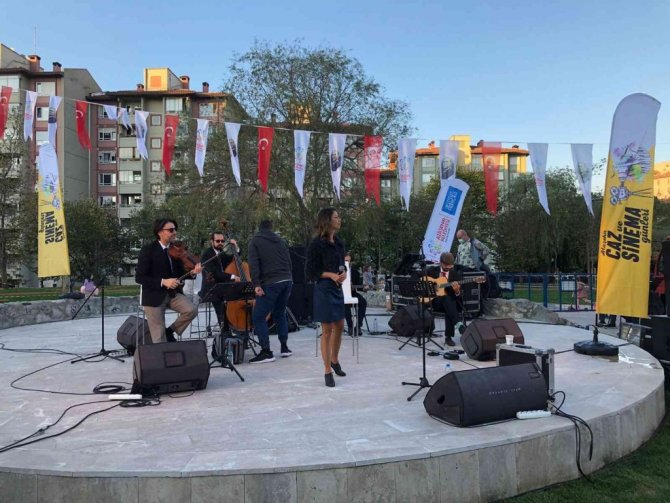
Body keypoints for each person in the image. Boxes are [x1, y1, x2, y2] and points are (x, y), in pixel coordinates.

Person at [135, 218, 202, 343]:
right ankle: (162, 352)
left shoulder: (174, 251)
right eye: (171, 230)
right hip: (153, 296)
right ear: (160, 232)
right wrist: (163, 282)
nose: (175, 232)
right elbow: (139, 277)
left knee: (191, 310)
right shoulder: (148, 250)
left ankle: (170, 331)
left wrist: (192, 273)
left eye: (175, 229)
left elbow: (179, 274)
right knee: (159, 337)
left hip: (172, 294)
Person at [306, 208, 347, 387]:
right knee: (327, 329)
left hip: (337, 288)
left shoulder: (339, 243)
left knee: (340, 325)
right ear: (327, 220)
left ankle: (334, 360)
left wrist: (344, 272)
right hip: (323, 288)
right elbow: (310, 272)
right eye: (336, 217)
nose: (339, 219)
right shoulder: (316, 244)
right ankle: (327, 370)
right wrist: (330, 275)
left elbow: (342, 264)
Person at [247, 219, 294, 363]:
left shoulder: (255, 241)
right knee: (280, 313)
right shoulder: (280, 240)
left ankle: (266, 352)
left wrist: (256, 284)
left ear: (259, 228)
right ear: (271, 228)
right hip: (287, 280)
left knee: (258, 316)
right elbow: (289, 261)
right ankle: (284, 348)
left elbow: (253, 264)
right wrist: (288, 277)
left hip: (271, 282)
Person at [198, 231, 240, 335]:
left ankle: (236, 326)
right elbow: (214, 273)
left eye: (222, 241)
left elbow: (233, 259)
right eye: (218, 241)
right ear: (212, 241)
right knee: (221, 306)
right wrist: (233, 277)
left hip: (223, 286)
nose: (220, 243)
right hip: (211, 288)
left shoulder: (222, 252)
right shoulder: (207, 254)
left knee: (237, 297)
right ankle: (225, 331)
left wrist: (235, 247)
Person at [428, 252, 463, 347]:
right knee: (447, 300)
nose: (448, 267)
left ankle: (449, 337)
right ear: (441, 263)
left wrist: (457, 291)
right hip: (435, 302)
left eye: (450, 265)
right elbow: (417, 276)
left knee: (448, 300)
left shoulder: (455, 275)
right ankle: (458, 325)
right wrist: (432, 286)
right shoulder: (432, 271)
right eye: (446, 265)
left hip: (450, 303)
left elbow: (459, 297)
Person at [344, 252, 368, 337]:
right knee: (345, 303)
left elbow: (358, 285)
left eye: (348, 261)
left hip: (352, 293)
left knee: (363, 302)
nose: (347, 263)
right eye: (345, 261)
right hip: (341, 294)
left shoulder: (355, 272)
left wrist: (364, 288)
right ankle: (350, 326)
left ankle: (358, 326)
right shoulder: (338, 271)